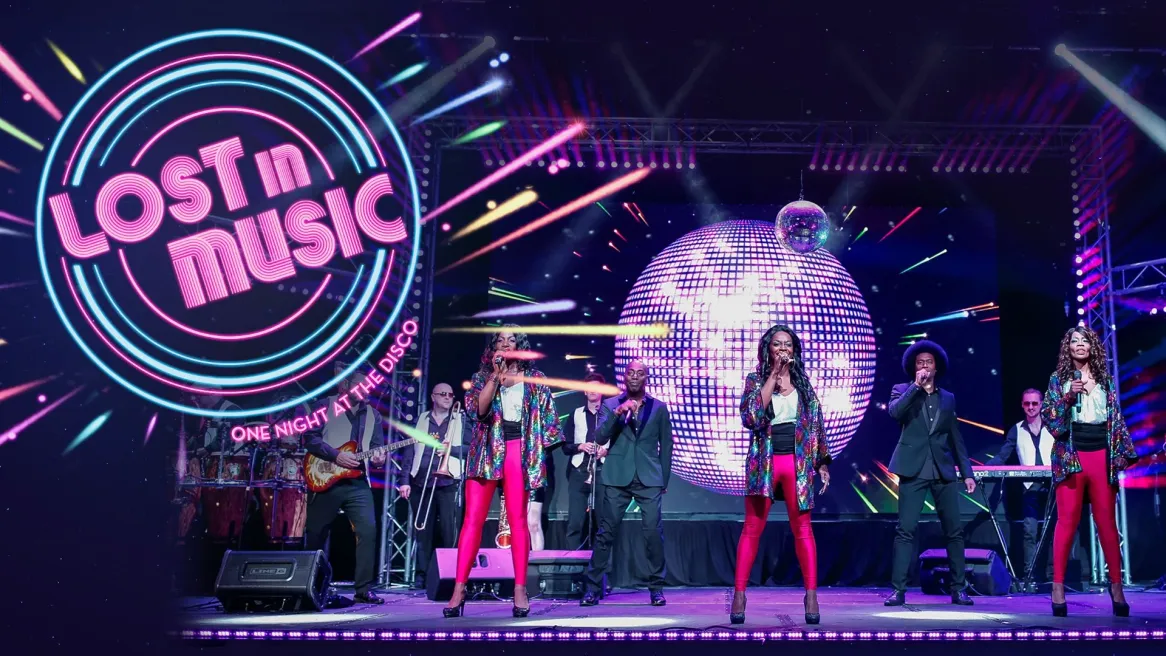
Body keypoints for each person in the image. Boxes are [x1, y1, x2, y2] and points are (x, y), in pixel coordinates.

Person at [443, 325, 561, 618]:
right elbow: (479, 412)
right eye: (500, 340)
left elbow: (549, 422)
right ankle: (459, 589)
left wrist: (536, 453)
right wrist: (495, 378)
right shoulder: (482, 377)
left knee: (518, 521)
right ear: (493, 347)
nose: (506, 343)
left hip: (517, 449)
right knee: (472, 520)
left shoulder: (535, 378)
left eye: (512, 339)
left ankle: (520, 589)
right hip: (485, 451)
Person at [732, 325, 831, 625]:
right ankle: (739, 595)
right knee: (752, 529)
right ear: (768, 349)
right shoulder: (755, 379)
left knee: (803, 530)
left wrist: (822, 462)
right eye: (777, 344)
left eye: (788, 344)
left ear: (795, 349)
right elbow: (751, 417)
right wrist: (773, 376)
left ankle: (811, 595)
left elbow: (815, 423)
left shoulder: (803, 381)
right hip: (765, 463)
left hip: (797, 464)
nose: (783, 349)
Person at [1041, 326, 1138, 617]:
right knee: (1067, 523)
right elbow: (1052, 421)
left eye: (1085, 341)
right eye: (1074, 341)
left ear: (1092, 347)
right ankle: (1057, 587)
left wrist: (1121, 453)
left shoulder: (1106, 381)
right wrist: (1068, 396)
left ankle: (1117, 586)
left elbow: (1116, 420)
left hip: (1101, 456)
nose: (1079, 345)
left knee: (1107, 524)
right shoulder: (1058, 380)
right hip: (1071, 455)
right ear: (1067, 348)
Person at [884, 340, 976, 607]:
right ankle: (898, 590)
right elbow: (895, 413)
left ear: (937, 368)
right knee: (905, 531)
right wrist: (915, 387)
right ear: (914, 367)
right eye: (919, 362)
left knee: (954, 531)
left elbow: (955, 437)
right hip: (913, 468)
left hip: (942, 469)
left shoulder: (947, 398)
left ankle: (959, 589)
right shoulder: (902, 390)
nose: (924, 366)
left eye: (929, 362)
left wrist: (967, 473)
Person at [581, 360, 672, 607]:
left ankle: (656, 588)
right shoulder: (610, 405)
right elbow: (599, 437)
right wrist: (618, 413)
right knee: (605, 533)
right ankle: (591, 588)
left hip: (648, 477)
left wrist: (664, 478)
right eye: (631, 372)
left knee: (653, 533)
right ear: (625, 376)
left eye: (640, 373)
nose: (634, 377)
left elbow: (666, 445)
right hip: (617, 476)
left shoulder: (659, 408)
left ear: (646, 378)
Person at [303, 361, 387, 605]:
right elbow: (309, 438)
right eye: (359, 386)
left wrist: (380, 458)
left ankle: (363, 589)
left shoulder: (373, 414)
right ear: (345, 387)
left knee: (368, 531)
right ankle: (309, 583)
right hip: (325, 478)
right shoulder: (324, 406)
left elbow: (376, 449)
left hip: (358, 481)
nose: (364, 391)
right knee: (316, 533)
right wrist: (336, 455)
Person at [986, 389, 1089, 587]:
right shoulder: (1017, 429)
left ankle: (1058, 576)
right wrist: (984, 468)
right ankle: (1030, 576)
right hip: (1030, 488)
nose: (1031, 407)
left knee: (1058, 531)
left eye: (1035, 403)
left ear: (1041, 404)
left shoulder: (1053, 425)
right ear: (1022, 405)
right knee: (1029, 531)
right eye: (1027, 404)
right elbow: (1003, 455)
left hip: (1055, 485)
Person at [399, 382, 469, 590]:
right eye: (443, 394)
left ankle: (451, 576)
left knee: (450, 531)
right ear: (433, 396)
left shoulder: (461, 420)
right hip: (422, 481)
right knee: (423, 533)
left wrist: (451, 450)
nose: (448, 397)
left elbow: (472, 449)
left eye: (451, 394)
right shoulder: (421, 420)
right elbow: (409, 452)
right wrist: (404, 480)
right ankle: (423, 576)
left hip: (449, 482)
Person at [561, 372, 611, 550]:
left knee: (603, 523)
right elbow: (565, 446)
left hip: (603, 473)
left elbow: (622, 446)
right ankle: (572, 570)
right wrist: (580, 446)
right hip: (579, 471)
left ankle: (601, 569)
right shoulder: (575, 415)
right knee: (575, 522)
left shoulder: (610, 414)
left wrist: (606, 451)